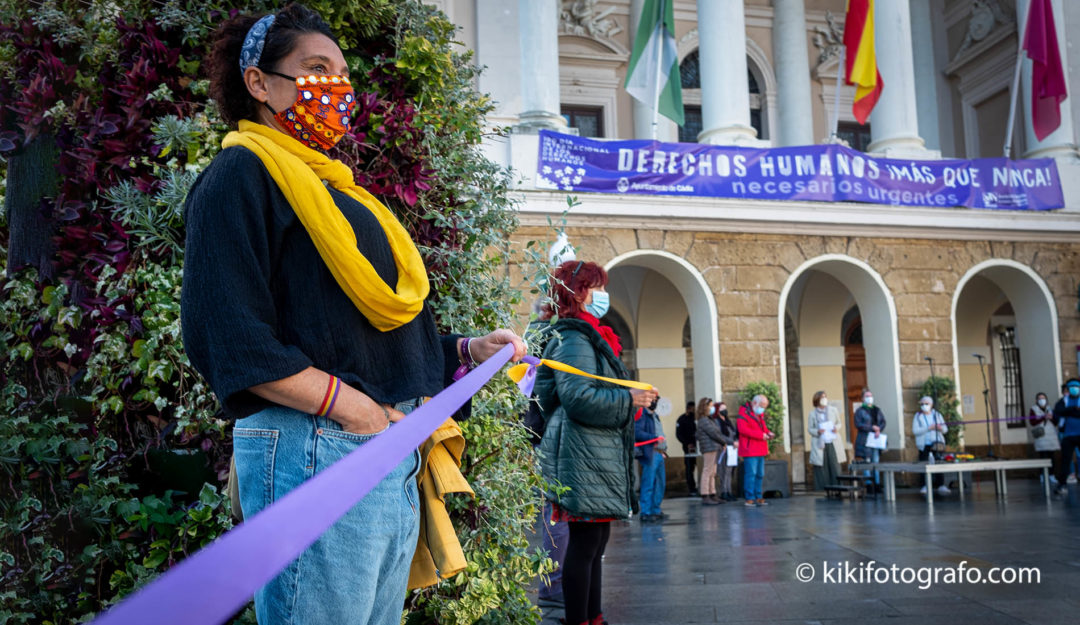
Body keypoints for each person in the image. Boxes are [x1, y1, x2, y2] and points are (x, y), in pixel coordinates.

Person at [180, 6, 527, 624]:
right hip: (313, 445)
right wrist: (358, 411)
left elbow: (353, 335)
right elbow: (228, 336)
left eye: (342, 74)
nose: (336, 88)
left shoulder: (340, 193)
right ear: (259, 83)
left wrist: (466, 352)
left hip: (378, 447)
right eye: (316, 69)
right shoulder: (240, 175)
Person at [535, 260, 659, 625]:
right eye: (598, 287)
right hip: (580, 451)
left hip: (592, 451)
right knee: (586, 545)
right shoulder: (574, 337)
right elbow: (577, 397)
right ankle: (581, 620)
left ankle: (594, 617)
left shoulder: (586, 335)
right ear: (579, 293)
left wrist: (630, 396)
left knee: (595, 543)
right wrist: (628, 400)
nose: (604, 295)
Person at [738, 395, 775, 507]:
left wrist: (768, 432)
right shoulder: (743, 413)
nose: (763, 409)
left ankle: (758, 496)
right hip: (750, 449)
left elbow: (763, 427)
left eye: (764, 406)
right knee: (751, 473)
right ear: (755, 403)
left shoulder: (759, 413)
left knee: (760, 474)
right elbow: (743, 429)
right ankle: (749, 498)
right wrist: (761, 435)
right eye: (762, 406)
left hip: (760, 448)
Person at [635, 398, 668, 522]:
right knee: (649, 483)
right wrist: (654, 438)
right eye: (653, 399)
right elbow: (637, 433)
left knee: (660, 483)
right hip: (651, 452)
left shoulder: (655, 415)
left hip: (659, 453)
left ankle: (655, 509)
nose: (655, 402)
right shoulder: (642, 414)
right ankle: (646, 512)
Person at [807, 390, 846, 491]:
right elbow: (810, 429)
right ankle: (822, 488)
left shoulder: (833, 410)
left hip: (833, 441)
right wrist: (818, 431)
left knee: (834, 465)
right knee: (821, 466)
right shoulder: (812, 414)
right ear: (817, 399)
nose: (824, 399)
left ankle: (837, 487)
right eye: (821, 397)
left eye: (825, 397)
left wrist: (836, 428)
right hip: (820, 443)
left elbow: (839, 423)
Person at [912, 396, 950, 496]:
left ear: (931, 405)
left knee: (938, 463)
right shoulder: (918, 416)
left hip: (937, 443)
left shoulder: (937, 415)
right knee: (923, 464)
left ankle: (941, 485)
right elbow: (915, 431)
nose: (924, 406)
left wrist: (939, 427)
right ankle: (924, 485)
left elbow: (945, 429)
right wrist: (929, 428)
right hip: (924, 444)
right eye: (922, 404)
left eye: (926, 404)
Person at [853, 389, 887, 492]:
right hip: (865, 440)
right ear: (863, 398)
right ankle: (868, 484)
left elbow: (883, 421)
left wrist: (878, 429)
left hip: (876, 439)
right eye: (867, 396)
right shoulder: (860, 411)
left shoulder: (877, 410)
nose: (869, 398)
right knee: (866, 463)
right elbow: (858, 424)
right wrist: (871, 427)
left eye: (871, 396)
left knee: (875, 461)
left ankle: (876, 483)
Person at [695, 397, 725, 505]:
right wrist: (724, 442)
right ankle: (705, 494)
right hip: (709, 448)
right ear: (705, 407)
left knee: (713, 472)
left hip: (714, 447)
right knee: (707, 471)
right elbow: (714, 433)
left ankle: (712, 493)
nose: (712, 408)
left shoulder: (708, 419)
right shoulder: (703, 420)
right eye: (711, 406)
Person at [1053, 378, 1080, 496]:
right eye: (1071, 387)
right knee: (1065, 460)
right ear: (1068, 389)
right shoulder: (1063, 401)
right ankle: (1062, 484)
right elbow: (1058, 411)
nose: (1074, 389)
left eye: (1076, 386)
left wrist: (1068, 412)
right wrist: (1073, 409)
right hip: (1068, 435)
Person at [1028, 392, 1060, 488]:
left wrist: (1052, 418)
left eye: (1043, 398)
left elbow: (1056, 422)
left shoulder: (1050, 409)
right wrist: (1043, 417)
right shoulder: (1033, 409)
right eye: (1040, 398)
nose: (1042, 400)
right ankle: (1042, 475)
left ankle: (1052, 475)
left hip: (1051, 437)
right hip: (1041, 436)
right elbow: (1032, 422)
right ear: (1036, 400)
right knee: (1043, 456)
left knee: (1052, 457)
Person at [713, 402, 739, 501]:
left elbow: (733, 432)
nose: (725, 410)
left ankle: (729, 491)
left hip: (732, 449)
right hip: (723, 448)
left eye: (725, 408)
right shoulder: (716, 421)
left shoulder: (728, 421)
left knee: (729, 471)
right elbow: (720, 435)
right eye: (722, 408)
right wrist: (732, 442)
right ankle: (723, 492)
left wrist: (736, 441)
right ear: (717, 410)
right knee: (723, 471)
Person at [675, 401, 699, 496]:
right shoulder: (681, 419)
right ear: (688, 408)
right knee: (689, 467)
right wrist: (687, 443)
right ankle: (691, 488)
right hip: (688, 447)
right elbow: (678, 434)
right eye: (692, 409)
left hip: (699, 446)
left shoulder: (697, 418)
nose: (693, 410)